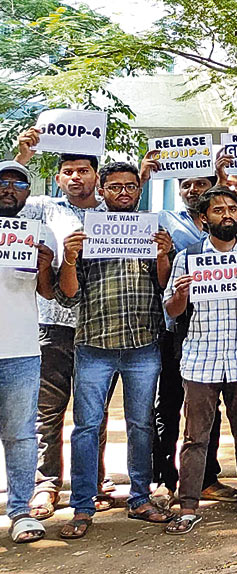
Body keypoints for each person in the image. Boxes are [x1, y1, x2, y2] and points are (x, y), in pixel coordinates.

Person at [55, 161, 175, 539]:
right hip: (94, 344)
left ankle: (140, 498)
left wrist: (163, 255)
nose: (124, 192)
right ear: (102, 190)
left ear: (138, 190)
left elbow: (163, 288)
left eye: (130, 187)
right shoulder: (86, 232)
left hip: (143, 343)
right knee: (87, 427)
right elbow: (68, 295)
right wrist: (71, 257)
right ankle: (83, 505)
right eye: (115, 187)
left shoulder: (153, 230)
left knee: (141, 426)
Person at [161, 186, 237, 534]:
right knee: (195, 437)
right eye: (218, 210)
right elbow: (171, 311)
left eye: (232, 208)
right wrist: (182, 295)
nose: (228, 214)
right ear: (204, 218)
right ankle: (187, 505)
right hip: (201, 358)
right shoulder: (186, 258)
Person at [14, 145, 113, 521]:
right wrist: (20, 159)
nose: (76, 177)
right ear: (58, 179)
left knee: (95, 412)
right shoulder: (42, 208)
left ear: (95, 178)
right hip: (52, 323)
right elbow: (6, 198)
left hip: (98, 326)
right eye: (68, 171)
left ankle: (94, 480)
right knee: (48, 410)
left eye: (83, 170)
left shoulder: (115, 216)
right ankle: (47, 485)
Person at [140, 168, 237, 507]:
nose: (193, 188)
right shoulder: (165, 220)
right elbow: (166, 282)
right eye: (187, 184)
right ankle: (165, 479)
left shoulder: (232, 227)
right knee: (168, 406)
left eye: (201, 183)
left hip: (224, 333)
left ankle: (207, 477)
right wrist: (164, 255)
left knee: (210, 410)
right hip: (179, 330)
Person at [0, 160, 57, 543]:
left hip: (21, 347)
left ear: (27, 192)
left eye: (18, 183)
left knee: (21, 434)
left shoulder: (41, 234)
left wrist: (47, 266)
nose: (8, 188)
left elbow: (49, 293)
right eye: (2, 182)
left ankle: (20, 510)